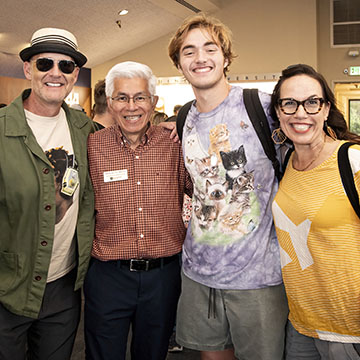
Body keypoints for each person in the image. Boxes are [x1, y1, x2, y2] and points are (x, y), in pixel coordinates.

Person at [168, 13, 288, 360]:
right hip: (199, 269)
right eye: (189, 51)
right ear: (179, 62)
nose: (200, 58)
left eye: (210, 48)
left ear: (225, 58)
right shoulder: (184, 117)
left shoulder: (262, 107)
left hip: (257, 276)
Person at [84, 61, 193, 360]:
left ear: (153, 102)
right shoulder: (92, 146)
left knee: (153, 354)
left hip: (163, 276)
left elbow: (202, 189)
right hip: (109, 277)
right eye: (121, 97)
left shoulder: (175, 145)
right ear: (109, 102)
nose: (131, 106)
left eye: (140, 97)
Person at [0, 27, 94, 360]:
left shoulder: (87, 132)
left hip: (64, 291)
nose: (56, 73)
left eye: (66, 66)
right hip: (8, 289)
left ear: (75, 75)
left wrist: (172, 127)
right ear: (28, 69)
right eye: (45, 64)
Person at [269, 64, 360, 360]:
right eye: (289, 103)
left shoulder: (352, 161)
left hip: (349, 328)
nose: (300, 113)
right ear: (279, 112)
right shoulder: (286, 162)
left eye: (311, 102)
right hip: (302, 324)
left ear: (325, 109)